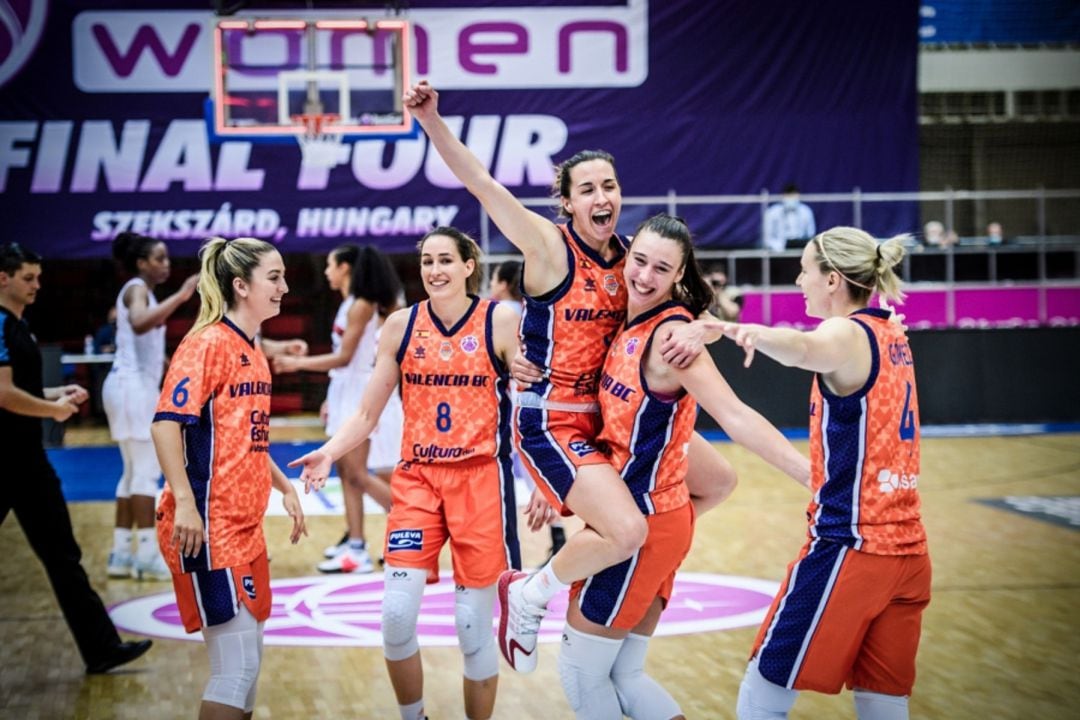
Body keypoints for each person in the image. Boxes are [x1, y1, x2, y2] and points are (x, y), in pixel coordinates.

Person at [403, 79, 736, 675]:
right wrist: (431, 121)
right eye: (587, 189)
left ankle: (602, 542)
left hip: (613, 418)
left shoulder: (637, 255)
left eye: (609, 184)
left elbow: (687, 307)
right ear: (568, 203)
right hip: (551, 421)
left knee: (718, 482)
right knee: (629, 527)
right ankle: (531, 591)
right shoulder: (549, 246)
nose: (601, 195)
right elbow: (481, 181)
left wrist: (702, 330)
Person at [557, 214, 810, 720]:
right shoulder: (628, 320)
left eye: (662, 268)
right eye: (641, 261)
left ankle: (530, 591)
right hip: (656, 521)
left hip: (639, 526)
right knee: (625, 678)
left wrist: (811, 474)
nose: (645, 276)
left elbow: (735, 416)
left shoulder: (670, 338)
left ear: (678, 275)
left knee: (582, 677)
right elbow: (720, 481)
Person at [290, 228, 522, 720]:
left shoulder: (501, 320)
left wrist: (544, 482)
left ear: (467, 265)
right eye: (427, 261)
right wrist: (329, 452)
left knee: (471, 626)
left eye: (445, 260)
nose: (435, 270)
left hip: (480, 479)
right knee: (395, 617)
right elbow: (366, 412)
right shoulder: (399, 325)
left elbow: (531, 402)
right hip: (417, 478)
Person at [713, 227, 931, 720]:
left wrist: (743, 330)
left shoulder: (846, 333)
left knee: (763, 687)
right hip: (909, 554)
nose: (798, 281)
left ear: (833, 279)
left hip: (850, 548)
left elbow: (806, 348)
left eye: (805, 270)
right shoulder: (892, 332)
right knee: (884, 701)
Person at [151, 236, 307, 720]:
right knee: (233, 671)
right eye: (274, 277)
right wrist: (186, 503)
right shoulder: (207, 344)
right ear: (241, 285)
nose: (284, 286)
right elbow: (165, 424)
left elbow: (246, 440)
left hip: (243, 528)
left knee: (248, 667)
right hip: (208, 531)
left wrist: (284, 488)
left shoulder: (251, 347)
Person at [0, 242, 153, 674]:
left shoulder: (18, 326)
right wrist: (54, 410)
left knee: (63, 555)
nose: (36, 286)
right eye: (28, 278)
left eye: (39, 278)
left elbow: (19, 391)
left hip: (27, 460)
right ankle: (101, 647)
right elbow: (3, 395)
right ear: (3, 279)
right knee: (62, 556)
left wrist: (55, 395)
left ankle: (101, 648)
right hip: (9, 460)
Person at [274, 244, 403, 574]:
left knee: (359, 474)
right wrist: (332, 397)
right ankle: (356, 544)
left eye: (330, 264)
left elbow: (345, 357)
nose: (326, 271)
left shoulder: (362, 304)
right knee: (347, 473)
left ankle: (412, 525)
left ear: (345, 267)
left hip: (362, 389)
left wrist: (297, 363)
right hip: (347, 388)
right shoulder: (350, 303)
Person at [103, 231, 200, 581]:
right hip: (133, 388)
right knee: (144, 472)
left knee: (131, 473)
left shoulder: (139, 291)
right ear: (142, 262)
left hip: (126, 386)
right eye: (160, 258)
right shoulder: (136, 288)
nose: (166, 265)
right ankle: (145, 554)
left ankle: (119, 555)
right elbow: (142, 324)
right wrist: (183, 295)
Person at [488, 259, 566, 564]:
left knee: (514, 472)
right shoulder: (536, 313)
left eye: (494, 278)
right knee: (534, 473)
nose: (491, 285)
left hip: (516, 404)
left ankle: (499, 545)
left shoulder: (499, 315)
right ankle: (558, 538)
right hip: (538, 401)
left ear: (505, 283)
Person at [763, 183, 816, 252]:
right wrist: (779, 247)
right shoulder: (772, 212)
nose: (791, 198)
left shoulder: (806, 211)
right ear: (783, 196)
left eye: (793, 195)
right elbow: (767, 237)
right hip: (778, 250)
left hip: (800, 249)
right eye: (788, 195)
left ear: (798, 196)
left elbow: (811, 234)